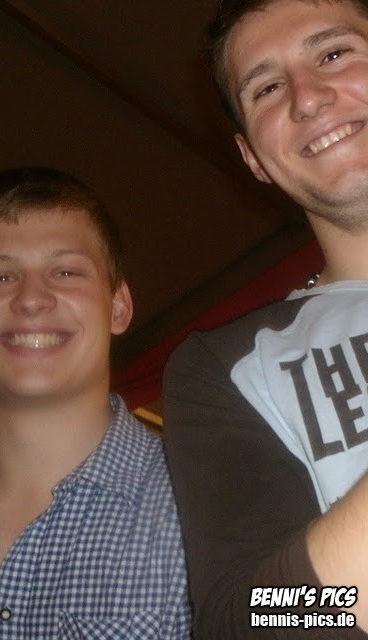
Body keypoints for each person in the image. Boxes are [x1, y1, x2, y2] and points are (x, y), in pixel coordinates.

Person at [163, 0, 368, 638]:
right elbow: (249, 618)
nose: (307, 97)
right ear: (252, 156)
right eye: (268, 89)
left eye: (333, 53)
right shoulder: (223, 367)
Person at [0, 166, 191, 638]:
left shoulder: (205, 509)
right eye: (0, 276)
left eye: (65, 272)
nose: (31, 299)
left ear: (118, 307)